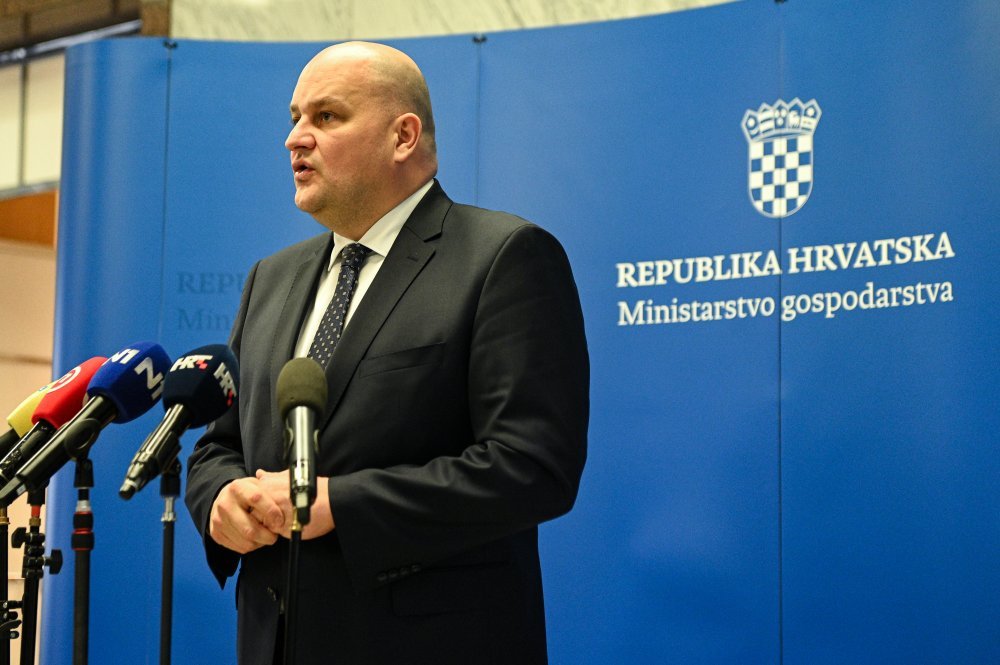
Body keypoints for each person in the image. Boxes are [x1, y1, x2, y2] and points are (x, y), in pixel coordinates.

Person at [185, 41, 589, 665]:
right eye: (294, 118)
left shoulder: (503, 257)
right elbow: (219, 445)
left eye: (326, 116)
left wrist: (340, 504)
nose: (295, 138)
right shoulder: (270, 278)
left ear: (403, 136)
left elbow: (532, 466)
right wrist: (220, 498)